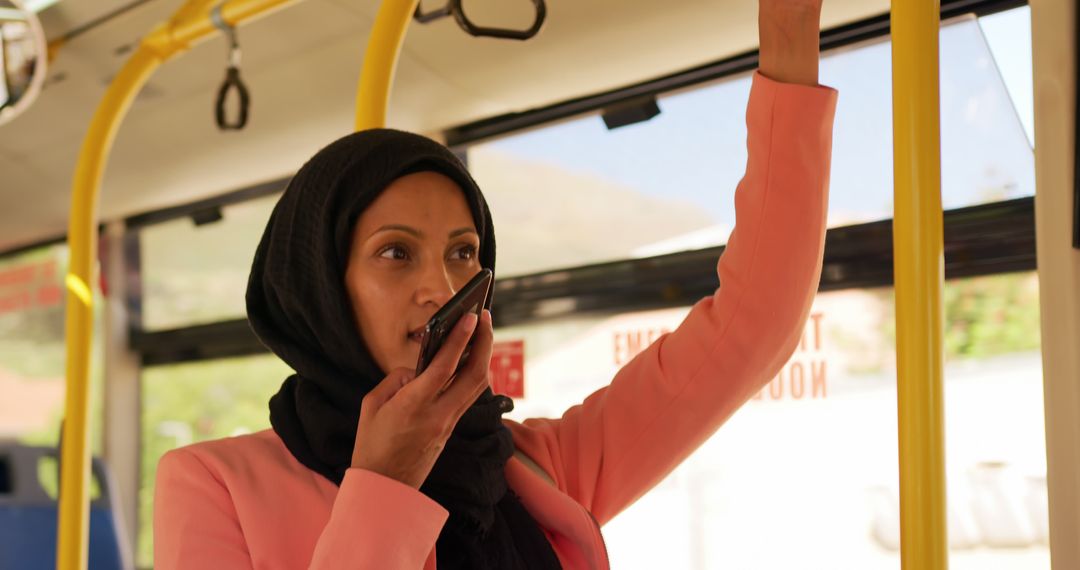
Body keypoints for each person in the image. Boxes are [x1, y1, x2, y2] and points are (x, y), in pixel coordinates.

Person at [153, 0, 838, 568]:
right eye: (396, 253)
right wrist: (386, 483)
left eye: (463, 252)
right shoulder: (216, 486)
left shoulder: (537, 467)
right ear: (320, 289)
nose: (439, 285)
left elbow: (756, 319)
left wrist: (788, 39)